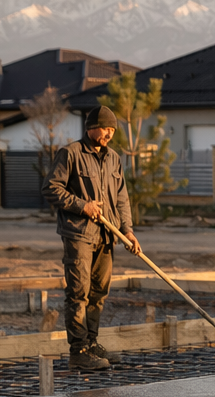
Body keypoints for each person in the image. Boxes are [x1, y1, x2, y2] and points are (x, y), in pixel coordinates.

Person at [43, 107, 142, 371]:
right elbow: (51, 188)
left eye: (112, 130)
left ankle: (92, 343)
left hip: (107, 236)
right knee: (79, 293)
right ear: (91, 127)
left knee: (99, 292)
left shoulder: (113, 159)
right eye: (105, 128)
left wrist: (128, 230)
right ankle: (79, 351)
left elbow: (121, 197)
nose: (109, 134)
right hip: (79, 235)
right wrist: (82, 206)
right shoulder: (71, 154)